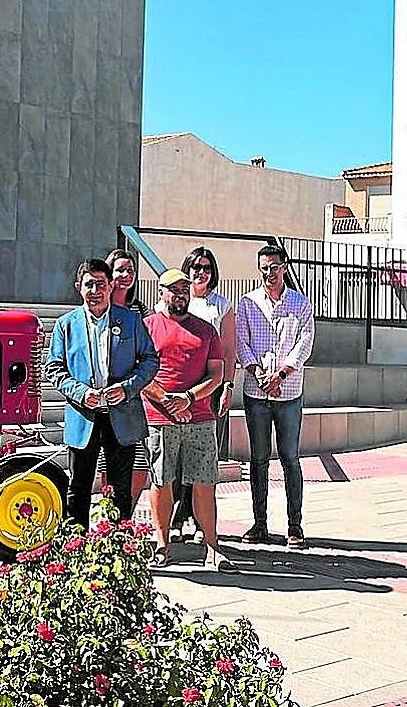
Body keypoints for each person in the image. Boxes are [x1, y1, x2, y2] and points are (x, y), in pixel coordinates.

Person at [45, 259, 158, 527]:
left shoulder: (130, 320)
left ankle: (118, 542)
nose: (95, 291)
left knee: (121, 488)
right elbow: (53, 367)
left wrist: (128, 388)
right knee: (78, 487)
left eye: (100, 284)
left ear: (110, 286)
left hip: (122, 416)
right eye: (89, 285)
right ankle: (77, 542)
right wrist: (81, 392)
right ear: (79, 287)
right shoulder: (66, 324)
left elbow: (150, 360)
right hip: (84, 415)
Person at [141, 269, 230, 570]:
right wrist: (169, 401)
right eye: (173, 289)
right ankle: (162, 545)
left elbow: (216, 374)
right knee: (161, 480)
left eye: (184, 289)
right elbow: (139, 373)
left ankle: (212, 547)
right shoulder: (147, 328)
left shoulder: (206, 331)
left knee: (205, 482)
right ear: (161, 293)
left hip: (200, 417)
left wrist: (189, 398)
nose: (180, 294)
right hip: (159, 417)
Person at [235, 244, 315, 549]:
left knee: (290, 458)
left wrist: (280, 376)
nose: (269, 273)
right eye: (264, 268)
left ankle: (295, 526)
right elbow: (241, 342)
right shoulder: (248, 303)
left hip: (289, 392)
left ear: (284, 267)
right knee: (258, 460)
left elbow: (304, 344)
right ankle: (260, 523)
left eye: (274, 266)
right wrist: (259, 375)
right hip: (256, 392)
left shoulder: (301, 303)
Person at [171, 247, 237, 543]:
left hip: (210, 389)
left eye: (207, 267)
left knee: (203, 459)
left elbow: (230, 351)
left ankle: (201, 522)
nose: (201, 272)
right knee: (176, 458)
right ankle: (176, 517)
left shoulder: (222, 306)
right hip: (178, 391)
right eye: (196, 267)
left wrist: (228, 386)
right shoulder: (173, 302)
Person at [100, 248, 152, 511]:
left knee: (139, 462)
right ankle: (110, 517)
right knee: (107, 463)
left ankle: (126, 515)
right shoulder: (99, 308)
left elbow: (149, 353)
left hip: (133, 398)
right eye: (120, 269)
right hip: (103, 400)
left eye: (130, 270)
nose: (126, 275)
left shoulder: (140, 310)